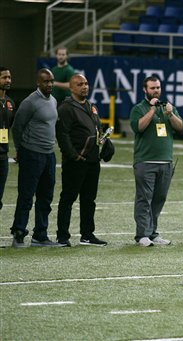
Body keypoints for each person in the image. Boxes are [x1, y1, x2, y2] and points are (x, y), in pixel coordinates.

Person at [130, 76, 183, 247]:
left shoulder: (168, 107)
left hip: (165, 162)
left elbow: (181, 127)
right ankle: (142, 235)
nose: (156, 91)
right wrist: (152, 110)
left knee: (159, 199)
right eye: (152, 88)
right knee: (144, 198)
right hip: (145, 161)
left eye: (158, 87)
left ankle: (153, 233)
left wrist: (171, 114)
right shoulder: (139, 108)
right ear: (145, 90)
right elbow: (138, 127)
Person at [55, 73, 108, 247]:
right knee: (68, 198)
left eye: (86, 83)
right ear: (71, 88)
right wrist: (73, 155)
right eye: (79, 84)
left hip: (93, 160)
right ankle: (62, 236)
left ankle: (87, 235)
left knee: (88, 199)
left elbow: (98, 128)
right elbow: (63, 135)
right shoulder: (66, 108)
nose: (84, 86)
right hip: (76, 161)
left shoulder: (91, 107)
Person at [10, 69, 61, 247]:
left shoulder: (53, 101)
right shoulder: (30, 102)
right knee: (26, 196)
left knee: (46, 197)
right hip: (31, 154)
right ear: (38, 83)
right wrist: (19, 149)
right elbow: (17, 127)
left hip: (49, 155)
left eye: (52, 81)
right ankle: (18, 233)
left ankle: (40, 235)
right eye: (46, 82)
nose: (50, 85)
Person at [0, 66, 15, 211]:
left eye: (9, 77)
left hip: (3, 155)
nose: (8, 80)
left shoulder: (10, 103)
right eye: (4, 77)